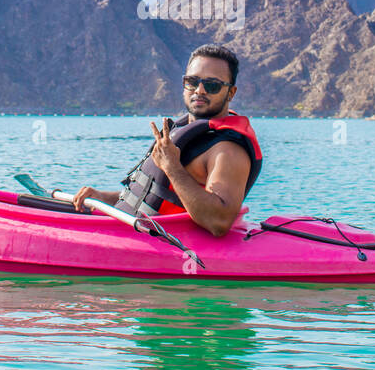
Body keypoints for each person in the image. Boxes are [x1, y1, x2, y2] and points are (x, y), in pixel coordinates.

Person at [71, 45, 262, 237]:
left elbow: (218, 222)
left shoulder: (228, 150)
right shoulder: (184, 132)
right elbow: (152, 197)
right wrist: (103, 197)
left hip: (166, 247)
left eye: (212, 85)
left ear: (231, 93)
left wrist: (171, 166)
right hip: (131, 233)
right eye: (192, 81)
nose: (200, 90)